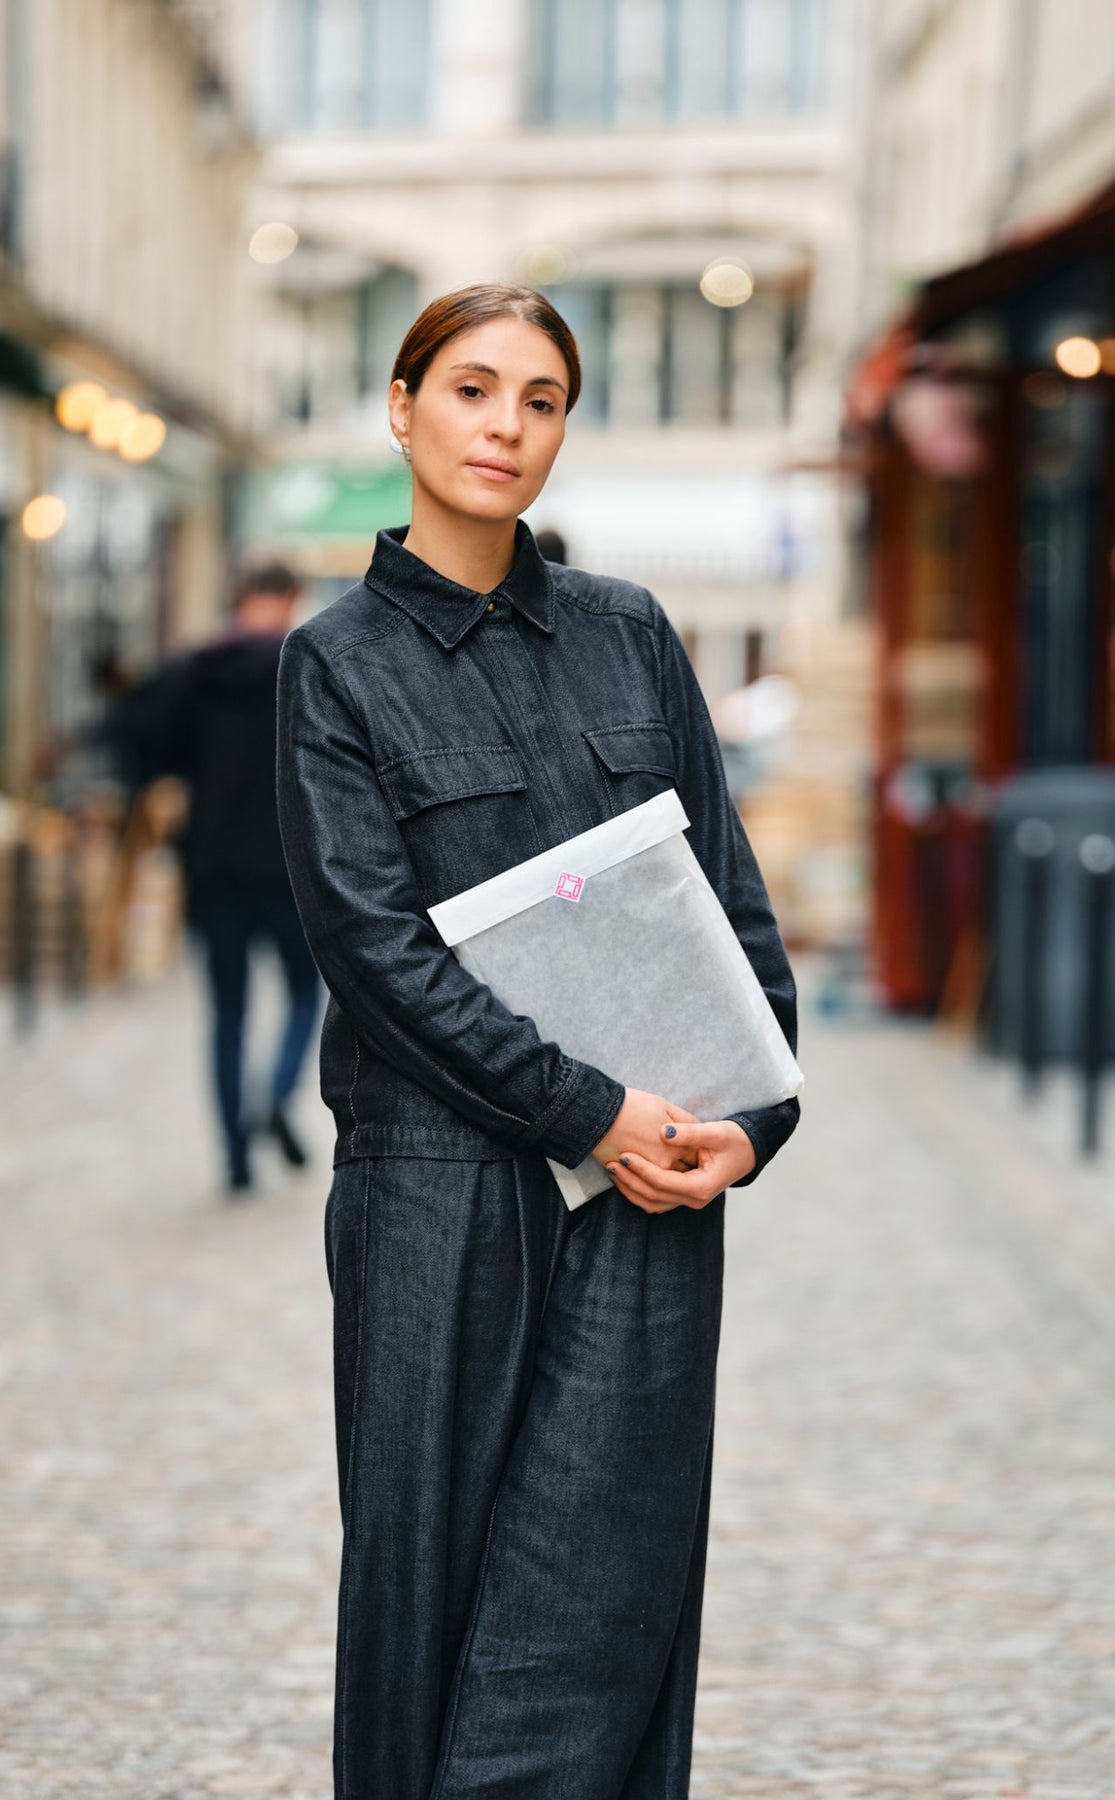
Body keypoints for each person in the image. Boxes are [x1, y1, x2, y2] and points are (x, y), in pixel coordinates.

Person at [274, 284, 800, 1796]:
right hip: (438, 1189)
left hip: (652, 1187)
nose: (506, 426)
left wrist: (746, 1127)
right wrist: (590, 1110)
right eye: (473, 389)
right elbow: (374, 957)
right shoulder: (340, 662)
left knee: (614, 1594)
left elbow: (734, 911)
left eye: (543, 400)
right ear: (402, 405)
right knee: (424, 1590)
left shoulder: (631, 637)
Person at [113, 564, 324, 1192]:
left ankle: (235, 1154)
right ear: (286, 601)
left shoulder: (192, 669)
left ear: (237, 601)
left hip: (212, 868)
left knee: (228, 1012)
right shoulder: (302, 667)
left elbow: (136, 739)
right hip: (286, 867)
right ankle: (278, 1093)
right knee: (304, 994)